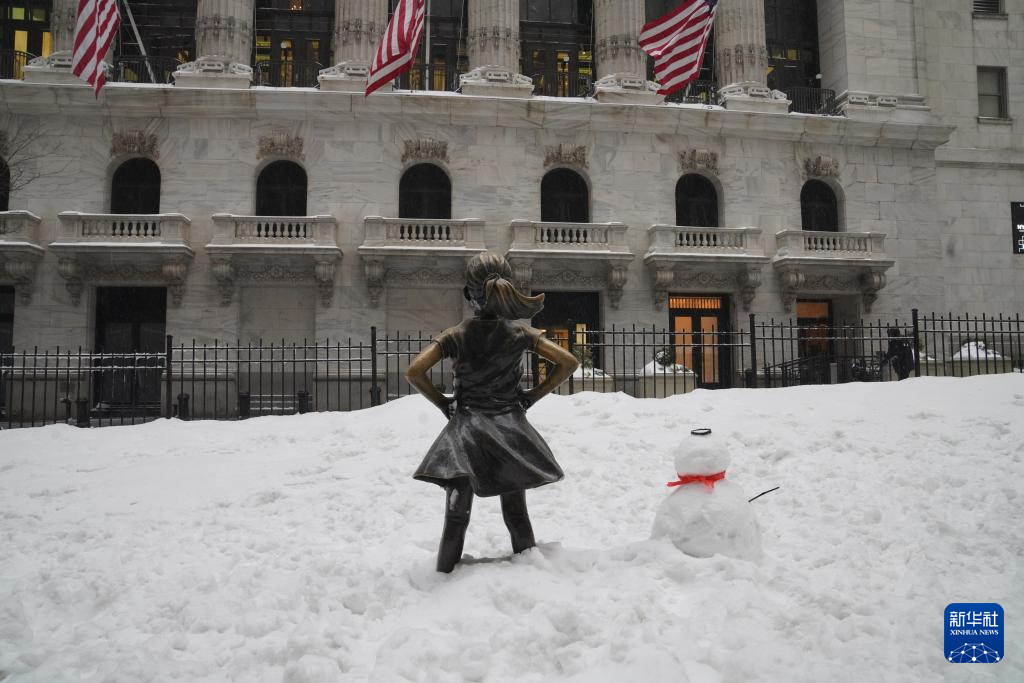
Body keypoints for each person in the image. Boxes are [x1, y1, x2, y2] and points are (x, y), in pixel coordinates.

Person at [405, 252, 579, 573]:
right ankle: (529, 574)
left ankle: (443, 578)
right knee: (516, 512)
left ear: (468, 294)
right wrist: (531, 396)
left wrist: (443, 403)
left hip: (465, 434)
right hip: (509, 431)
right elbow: (568, 362)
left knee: (456, 516)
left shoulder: (456, 335)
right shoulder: (519, 334)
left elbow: (415, 371)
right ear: (506, 289)